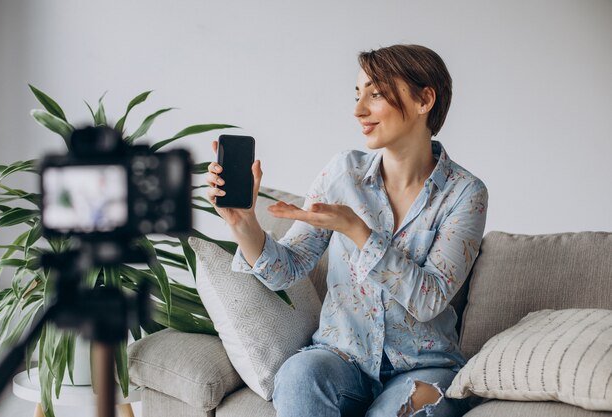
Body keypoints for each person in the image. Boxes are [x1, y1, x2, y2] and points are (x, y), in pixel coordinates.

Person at [206, 44, 488, 417]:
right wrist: (244, 226)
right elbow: (287, 270)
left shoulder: (465, 193)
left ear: (424, 100)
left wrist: (359, 232)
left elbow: (428, 300)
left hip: (422, 366)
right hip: (341, 358)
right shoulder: (342, 172)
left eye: (376, 94)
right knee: (298, 376)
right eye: (358, 95)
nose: (358, 110)